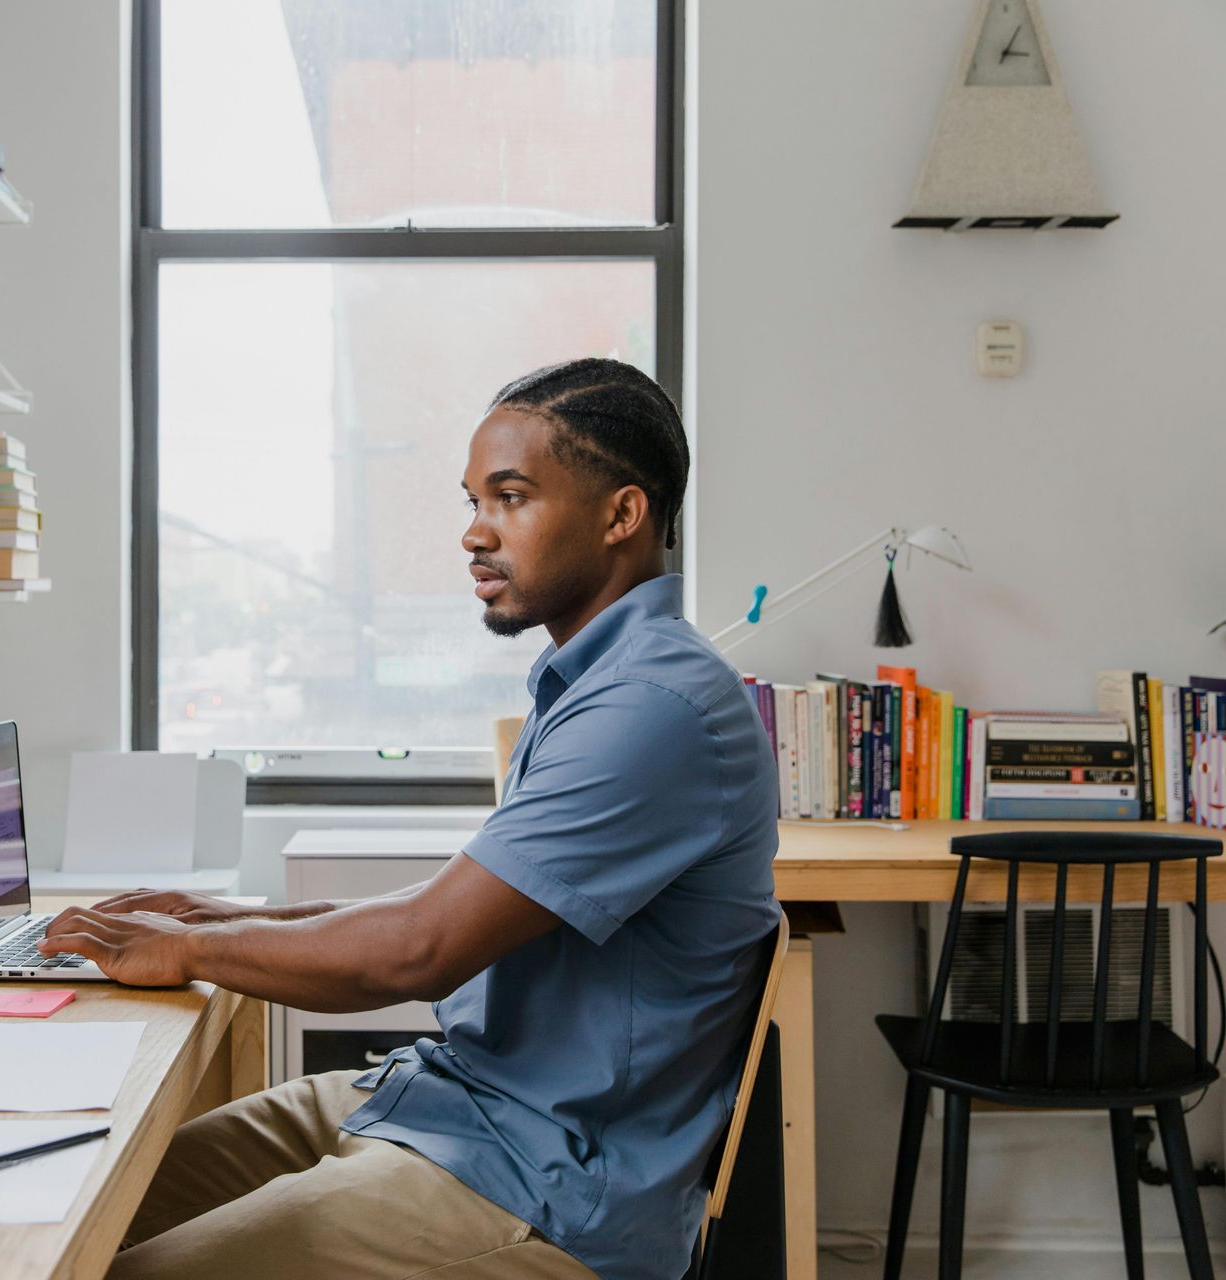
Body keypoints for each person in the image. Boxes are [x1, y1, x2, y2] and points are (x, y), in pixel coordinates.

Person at [40, 358, 781, 1279]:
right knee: (68, 1211)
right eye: (473, 501)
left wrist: (185, 950)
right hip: (453, 1107)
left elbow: (418, 949)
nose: (474, 533)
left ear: (621, 515)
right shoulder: (595, 682)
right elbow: (457, 904)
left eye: (510, 498)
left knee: (118, 1271)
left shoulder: (654, 706)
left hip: (539, 1185)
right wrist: (229, 919)